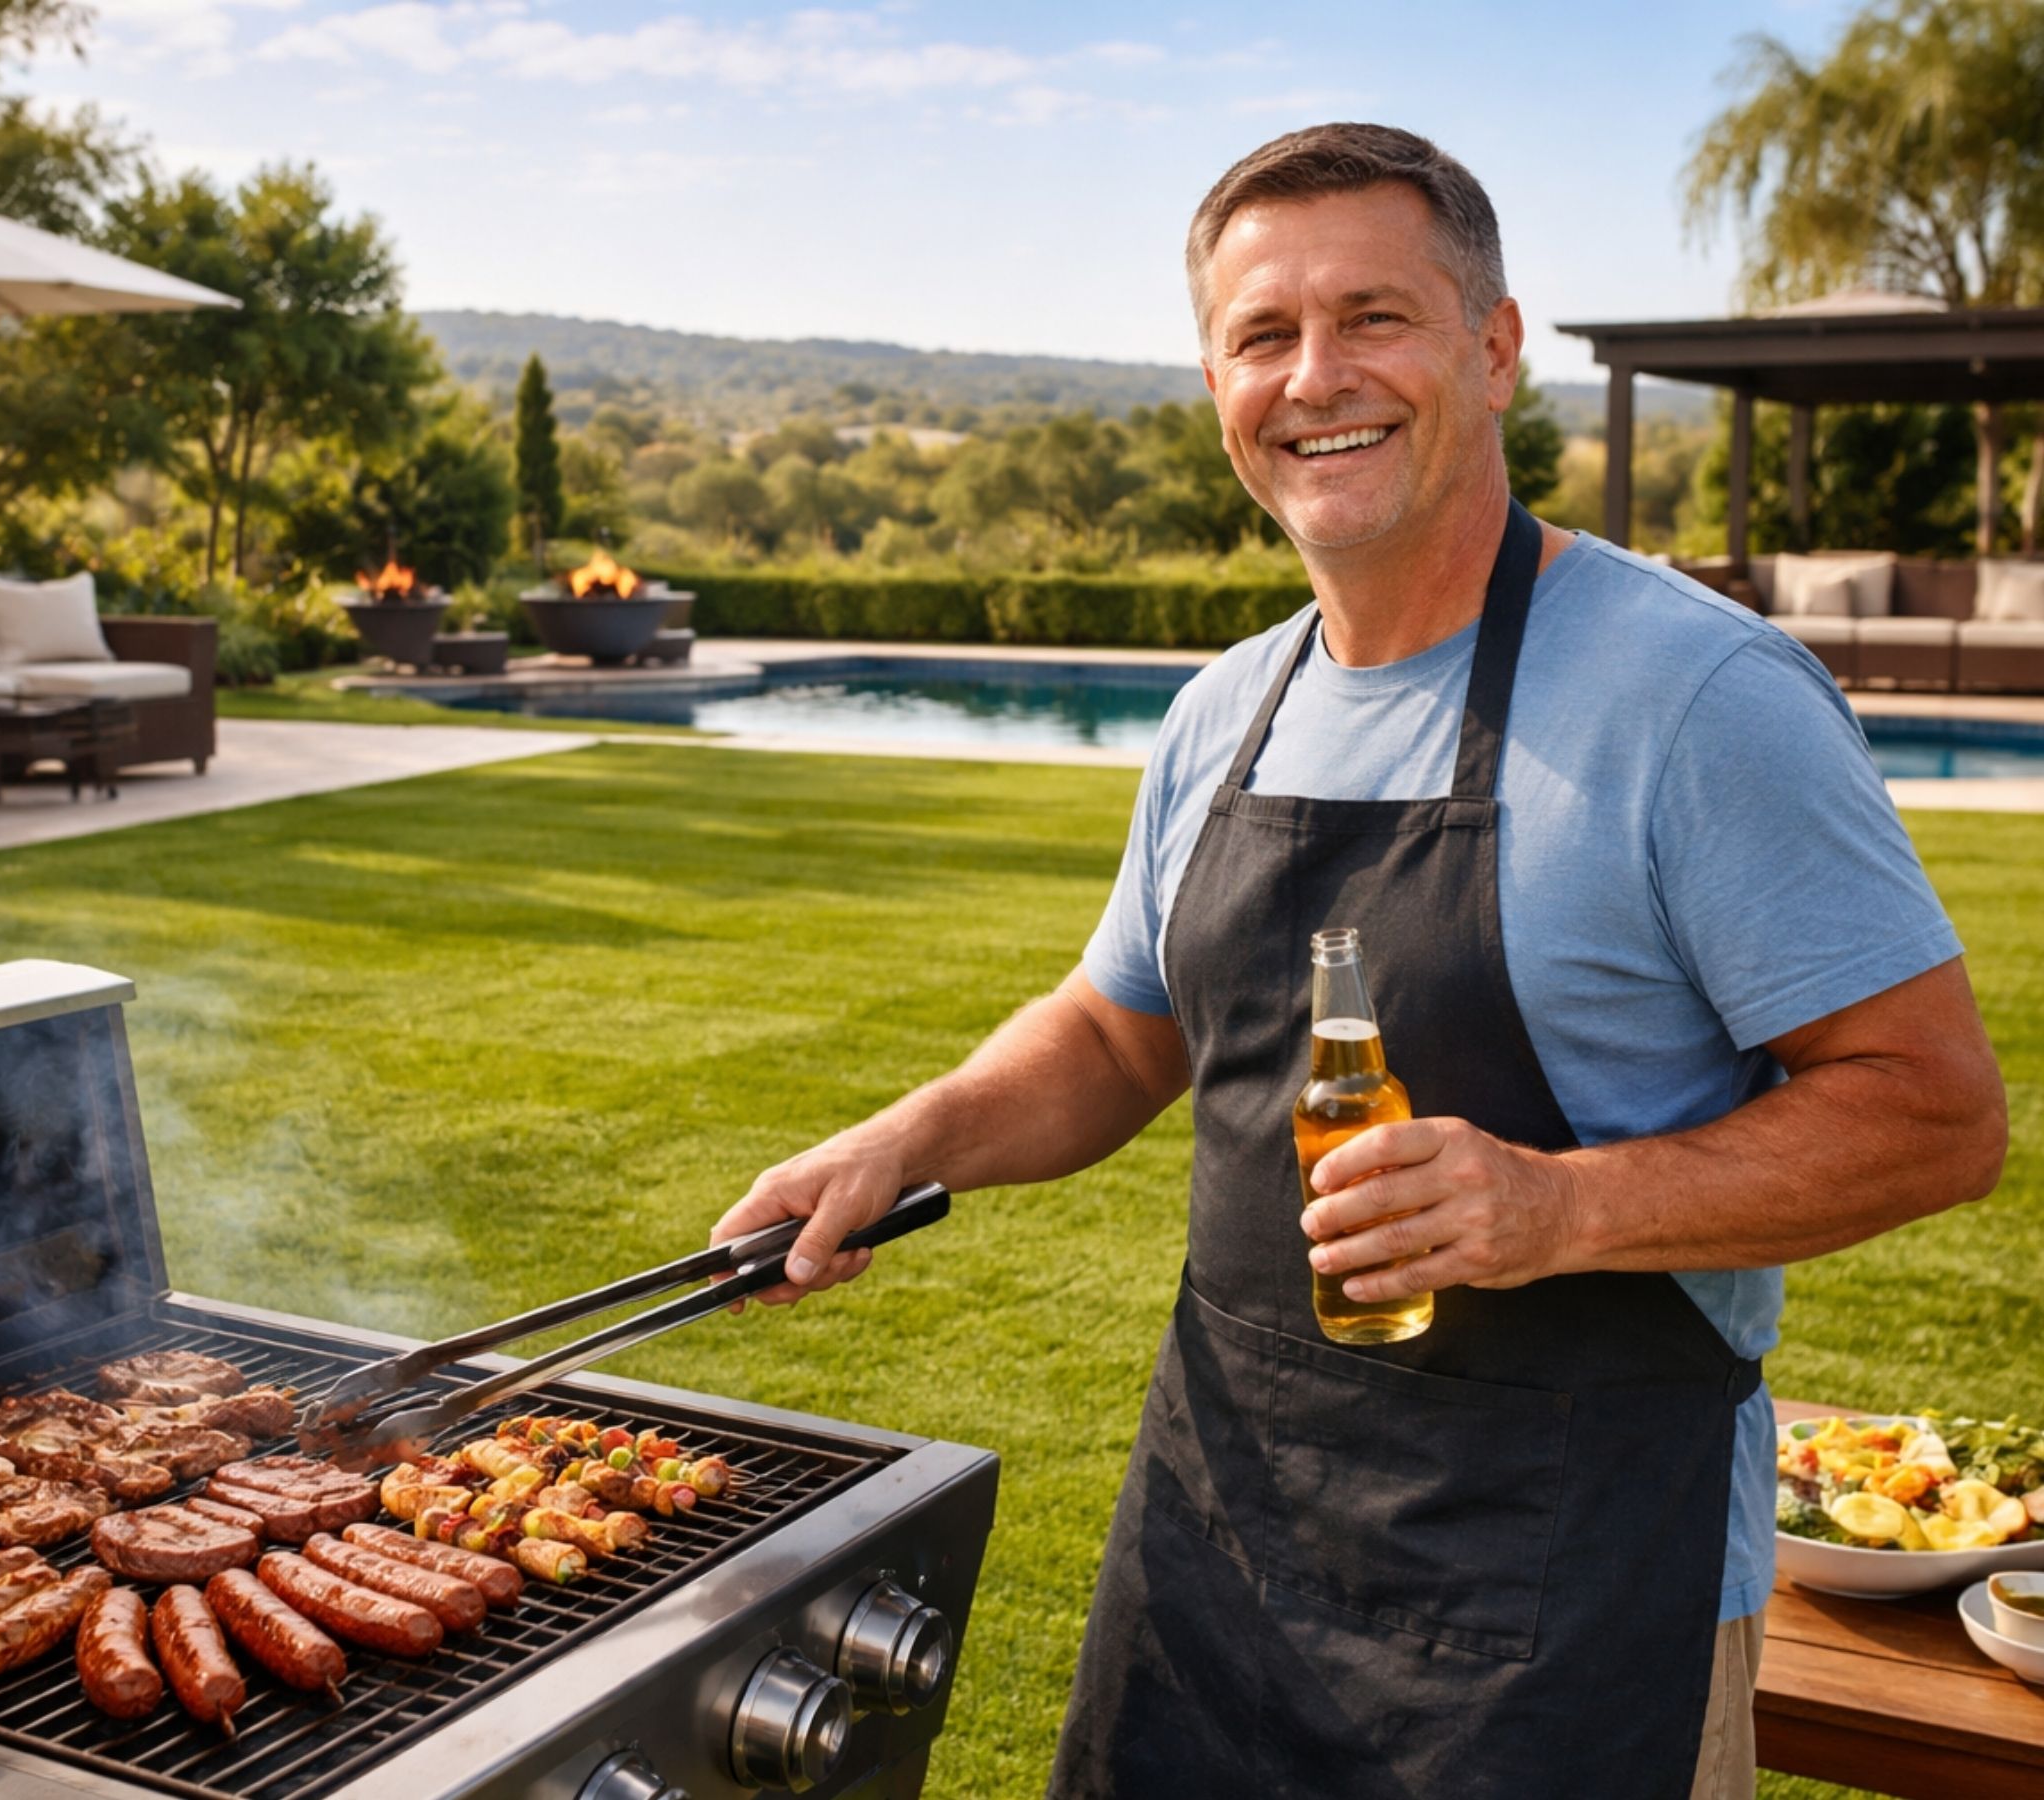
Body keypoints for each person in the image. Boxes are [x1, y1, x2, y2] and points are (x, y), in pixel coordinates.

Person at [710, 123, 2006, 1797]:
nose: (1316, 376)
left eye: (1374, 316)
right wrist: (905, 1142)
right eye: (1263, 336)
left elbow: (1933, 1113)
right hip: (1217, 1574)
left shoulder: (1699, 698)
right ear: (1217, 385)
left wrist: (1560, 1209)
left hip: (1571, 1607)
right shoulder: (1220, 711)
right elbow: (1122, 1040)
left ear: (1493, 347)